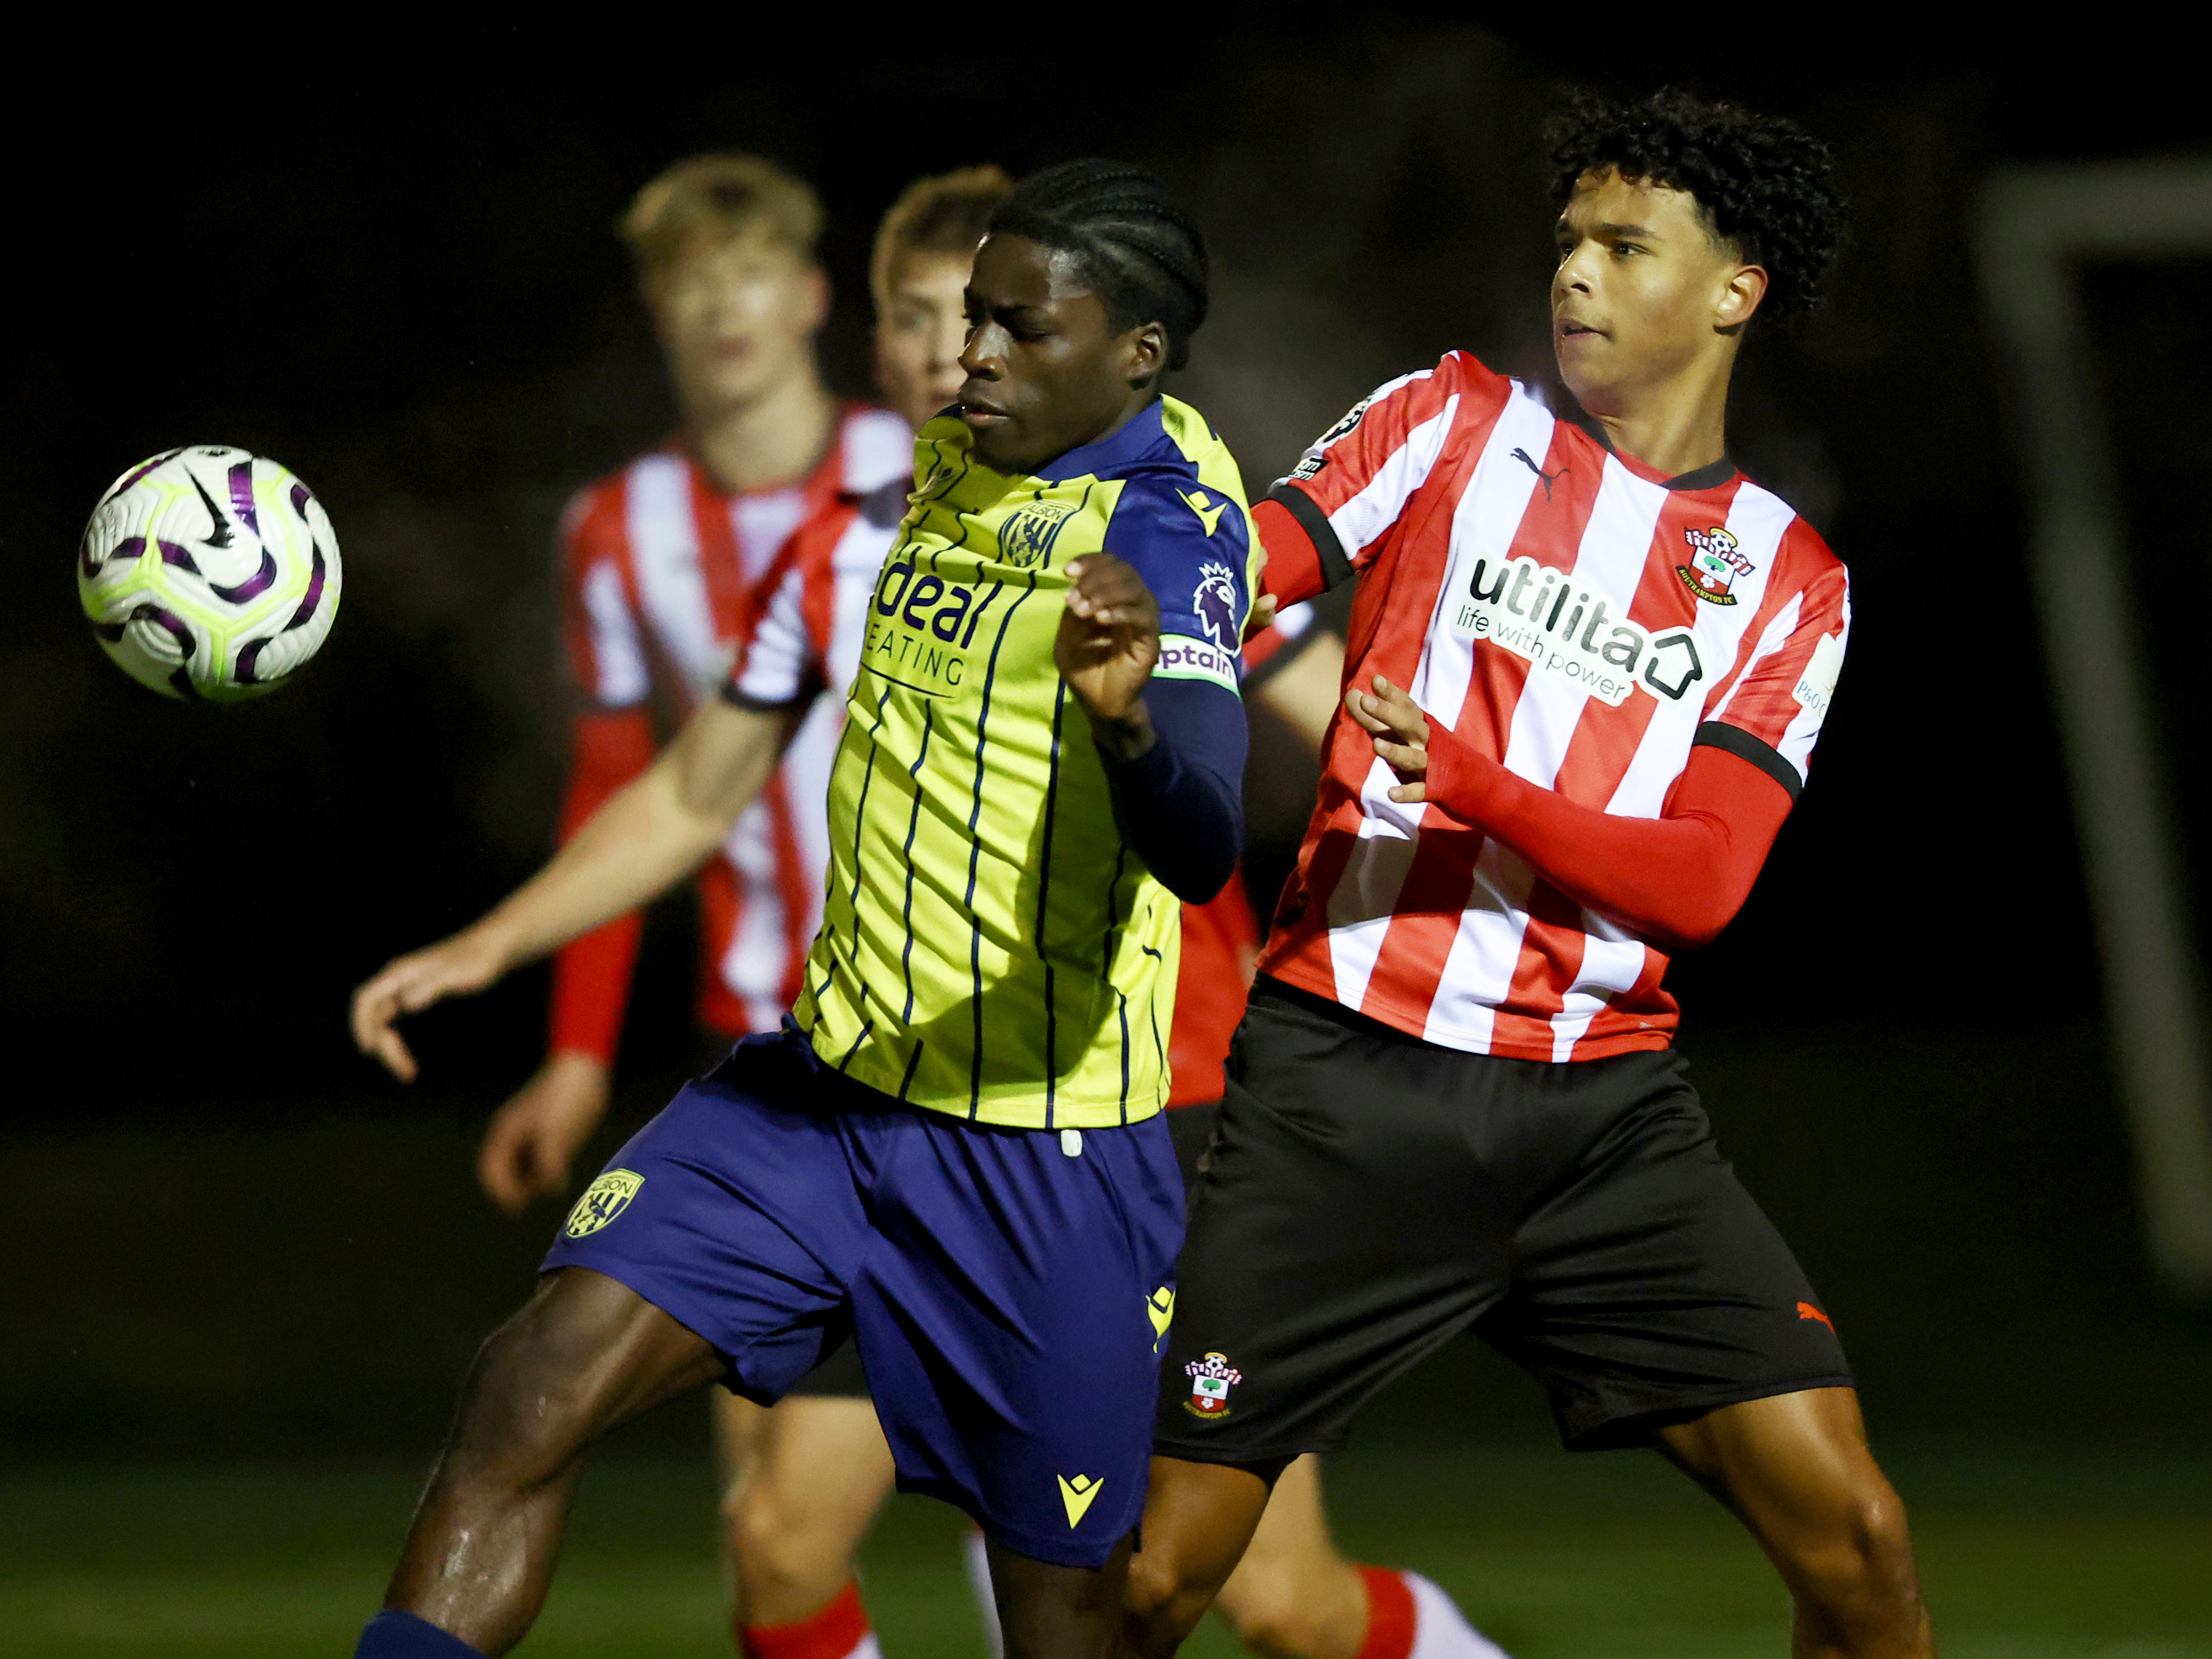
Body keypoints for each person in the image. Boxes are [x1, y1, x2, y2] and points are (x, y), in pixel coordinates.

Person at [349, 159, 1254, 1659]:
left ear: (1133, 355)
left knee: (1074, 1616)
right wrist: (485, 951)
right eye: (961, 319)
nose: (967, 355)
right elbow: (691, 788)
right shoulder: (912, 485)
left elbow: (1207, 835)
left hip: (1039, 1155)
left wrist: (1129, 729)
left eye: (1015, 329)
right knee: (531, 1386)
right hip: (820, 1094)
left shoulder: (1161, 532)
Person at [1124, 91, 1938, 1659]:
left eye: (1623, 245)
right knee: (1155, 1577)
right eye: (1567, 239)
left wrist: (1476, 785)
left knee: (1859, 1542)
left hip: (1599, 1126)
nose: (1572, 272)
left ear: (1730, 290)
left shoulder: (1787, 577)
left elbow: (1700, 881)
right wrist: (1143, 595)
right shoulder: (1442, 424)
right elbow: (1246, 573)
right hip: (1341, 1090)